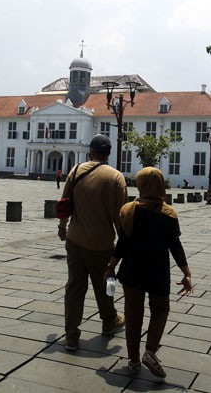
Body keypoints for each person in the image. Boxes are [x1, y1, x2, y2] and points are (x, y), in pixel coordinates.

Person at [105, 167, 193, 378]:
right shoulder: (169, 214)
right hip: (158, 271)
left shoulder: (128, 210)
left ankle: (133, 361)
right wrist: (186, 273)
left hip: (132, 271)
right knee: (160, 310)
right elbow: (175, 246)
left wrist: (111, 266)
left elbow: (122, 244)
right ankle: (150, 351)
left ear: (141, 185)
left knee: (133, 316)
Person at [58, 134, 127, 352]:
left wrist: (62, 227)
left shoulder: (76, 170)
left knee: (75, 287)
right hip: (102, 243)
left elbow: (64, 203)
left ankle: (71, 335)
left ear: (91, 151)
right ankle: (109, 320)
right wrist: (124, 244)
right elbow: (120, 217)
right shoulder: (116, 177)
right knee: (104, 285)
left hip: (75, 239)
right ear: (108, 153)